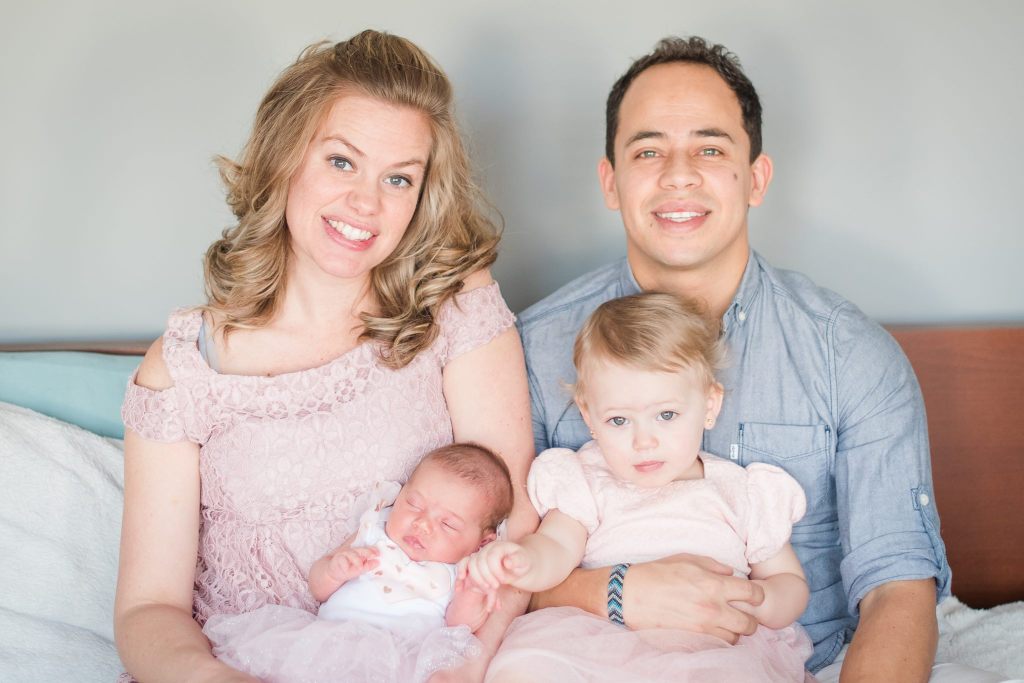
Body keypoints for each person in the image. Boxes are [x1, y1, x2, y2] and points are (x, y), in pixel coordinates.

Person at [514, 36, 1003, 682]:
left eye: (710, 149)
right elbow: (490, 570)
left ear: (757, 178)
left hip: (802, 662)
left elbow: (896, 588)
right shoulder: (534, 348)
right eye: (648, 150)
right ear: (612, 181)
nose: (679, 174)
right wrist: (613, 590)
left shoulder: (849, 355)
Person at [114, 30, 535, 683]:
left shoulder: (453, 305)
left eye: (398, 178)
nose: (367, 203)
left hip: (420, 660)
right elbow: (148, 608)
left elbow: (514, 530)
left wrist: (463, 666)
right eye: (342, 161)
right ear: (285, 159)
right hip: (238, 660)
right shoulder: (183, 370)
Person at [463, 293, 815, 682]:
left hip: (711, 647)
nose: (643, 441)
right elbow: (556, 548)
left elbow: (789, 582)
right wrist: (523, 561)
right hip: (600, 644)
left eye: (666, 414)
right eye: (619, 420)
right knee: (529, 666)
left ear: (709, 405)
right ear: (589, 416)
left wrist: (762, 600)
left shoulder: (742, 492)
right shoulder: (586, 480)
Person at [202, 443, 514, 682]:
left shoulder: (460, 570)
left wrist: (473, 592)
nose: (422, 524)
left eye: (447, 524)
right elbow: (318, 587)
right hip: (328, 639)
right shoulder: (375, 530)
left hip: (401, 659)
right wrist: (336, 569)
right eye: (414, 504)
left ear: (481, 543)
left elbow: (459, 626)